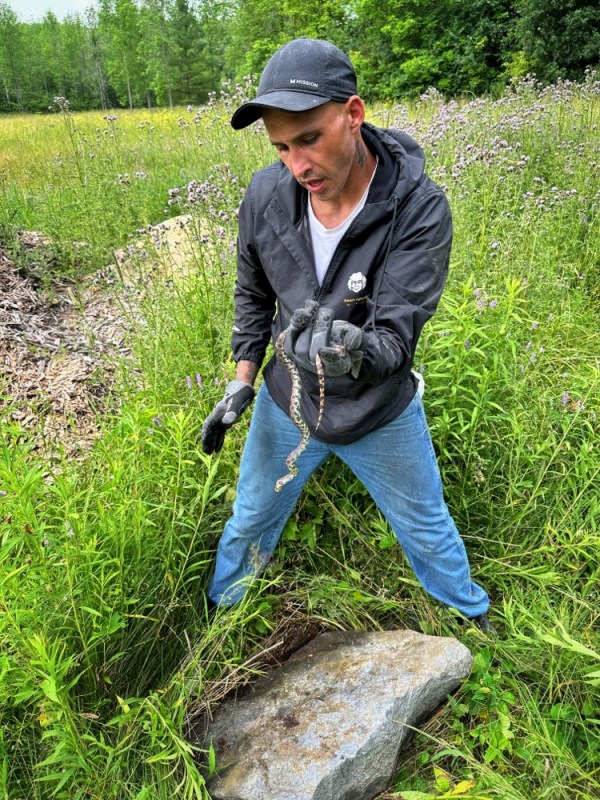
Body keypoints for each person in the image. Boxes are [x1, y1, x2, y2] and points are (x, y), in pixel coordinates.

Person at [201, 37, 493, 632]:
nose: (297, 165)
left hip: (378, 410)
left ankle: (472, 621)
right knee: (250, 514)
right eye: (281, 147)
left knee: (425, 525)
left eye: (309, 138)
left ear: (353, 113)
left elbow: (394, 338)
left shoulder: (418, 209)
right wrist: (242, 382)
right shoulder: (265, 196)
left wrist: (351, 350)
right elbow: (252, 294)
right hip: (287, 399)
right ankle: (220, 619)